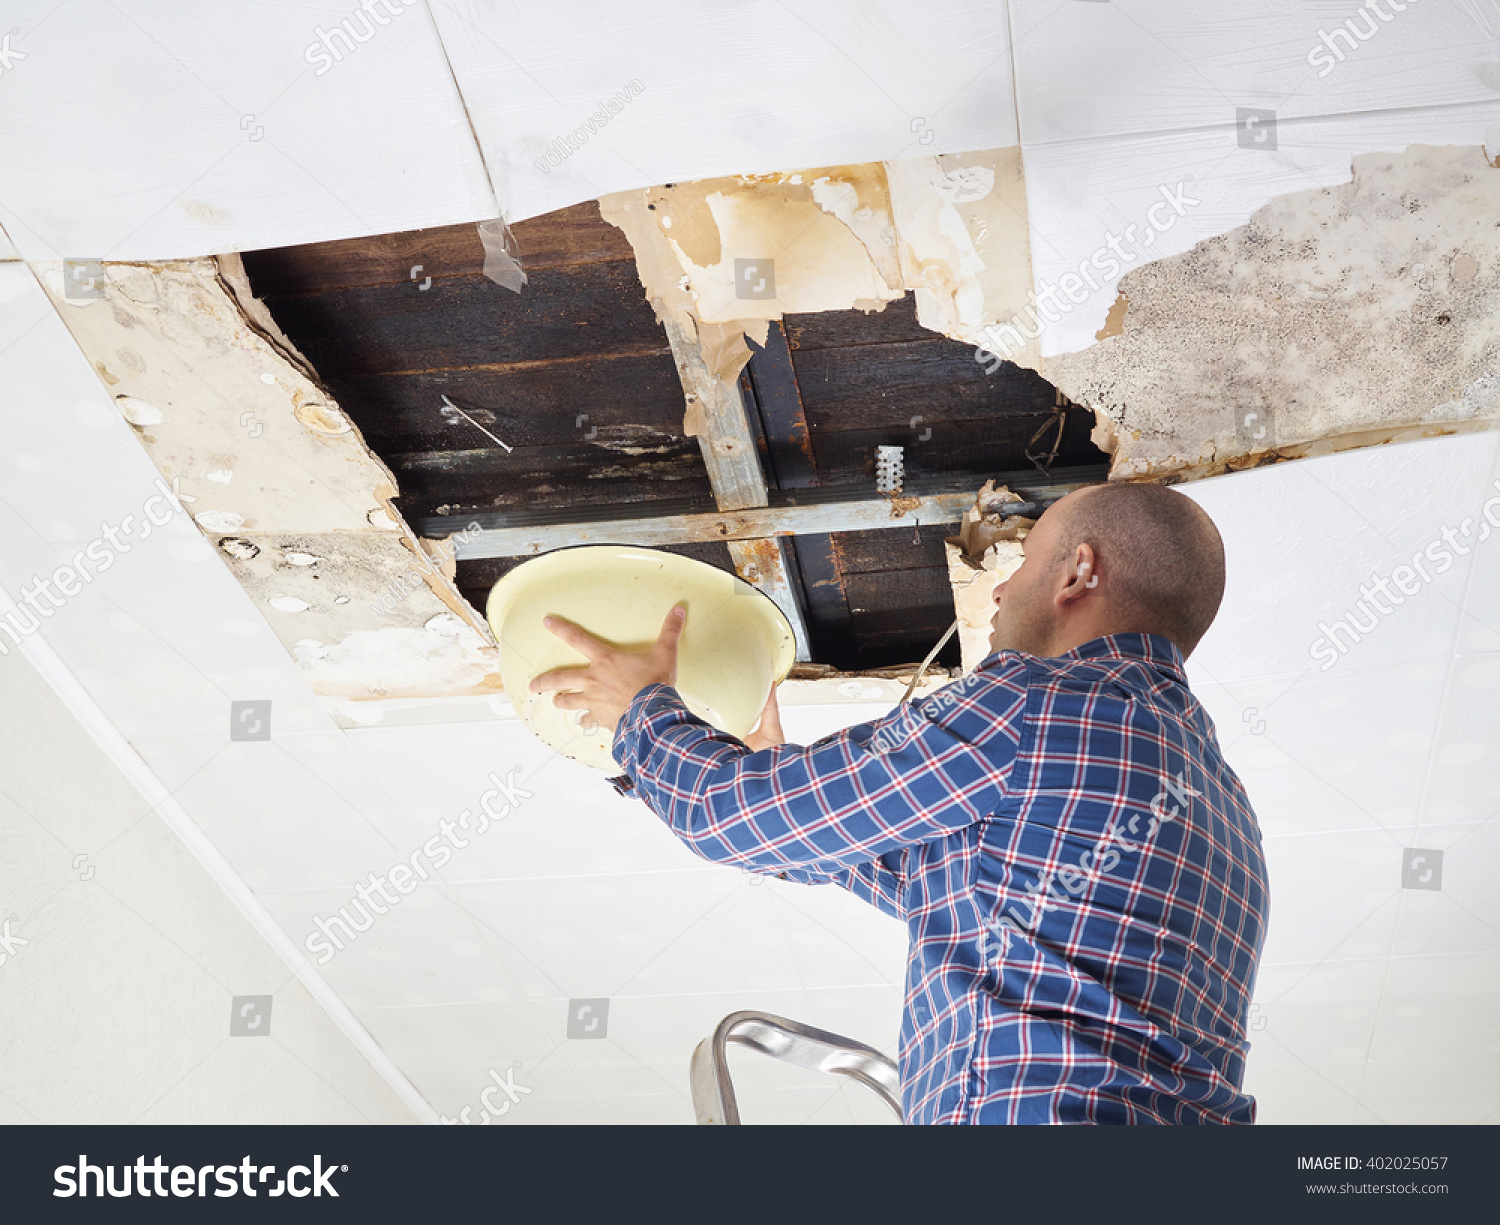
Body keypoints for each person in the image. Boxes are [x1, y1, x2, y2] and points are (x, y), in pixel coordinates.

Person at [530, 482, 1269, 1124]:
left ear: (1079, 572)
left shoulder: (1033, 704)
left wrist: (641, 713)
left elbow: (730, 820)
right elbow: (960, 890)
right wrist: (768, 789)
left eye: (1022, 561)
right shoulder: (1225, 807)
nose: (1003, 591)